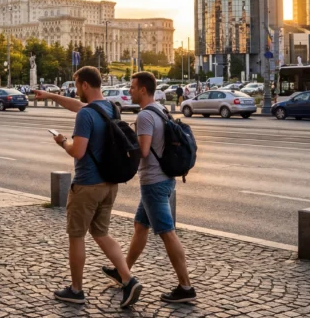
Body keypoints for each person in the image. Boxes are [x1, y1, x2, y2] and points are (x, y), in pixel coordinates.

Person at [34, 67, 139, 309]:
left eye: (77, 85)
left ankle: (76, 290)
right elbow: (77, 106)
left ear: (84, 85)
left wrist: (63, 142)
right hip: (109, 184)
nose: (75, 90)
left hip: (87, 185)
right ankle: (128, 279)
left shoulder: (86, 116)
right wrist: (51, 96)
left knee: (76, 236)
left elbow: (78, 150)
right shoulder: (111, 107)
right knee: (101, 233)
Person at [109, 71, 196, 304]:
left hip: (153, 182)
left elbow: (143, 151)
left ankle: (185, 286)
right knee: (140, 226)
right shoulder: (160, 109)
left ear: (143, 90)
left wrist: (124, 142)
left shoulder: (145, 117)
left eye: (133, 87)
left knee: (167, 233)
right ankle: (123, 272)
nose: (129, 91)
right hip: (165, 179)